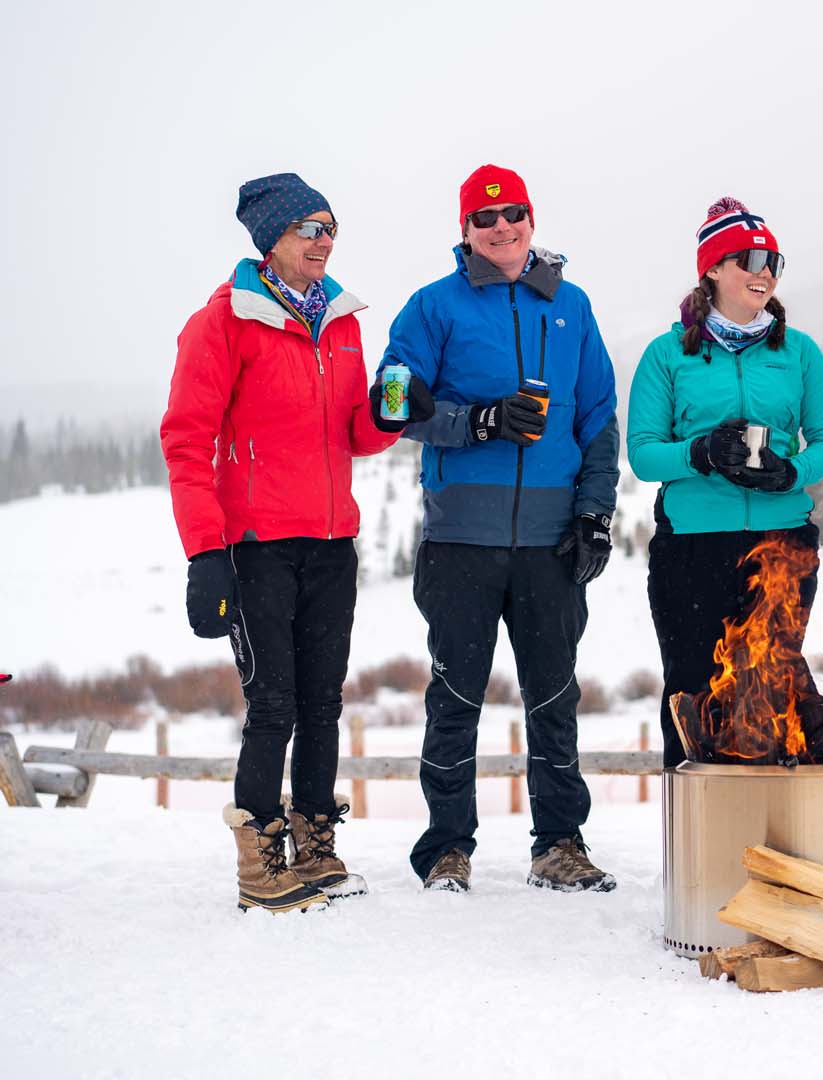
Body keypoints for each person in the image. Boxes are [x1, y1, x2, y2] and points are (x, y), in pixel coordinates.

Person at [162, 172, 418, 912]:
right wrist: (205, 553)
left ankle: (315, 845)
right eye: (309, 227)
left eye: (331, 227)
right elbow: (186, 440)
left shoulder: (340, 321)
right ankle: (260, 863)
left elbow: (355, 438)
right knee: (273, 705)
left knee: (322, 703)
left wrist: (393, 412)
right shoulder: (224, 321)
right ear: (270, 239)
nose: (324, 240)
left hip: (332, 543)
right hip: (258, 546)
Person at [380, 164, 620, 894]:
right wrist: (474, 421)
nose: (501, 228)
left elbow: (598, 419)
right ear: (465, 231)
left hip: (551, 542)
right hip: (461, 541)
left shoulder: (571, 307)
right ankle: (446, 848)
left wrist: (592, 513)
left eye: (512, 213)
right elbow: (390, 401)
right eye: (484, 219)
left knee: (554, 694)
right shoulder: (432, 307)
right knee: (456, 695)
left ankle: (559, 844)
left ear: (530, 218)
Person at [626, 197, 823, 766]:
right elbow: (645, 455)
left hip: (781, 544)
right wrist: (701, 451)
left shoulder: (798, 352)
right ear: (713, 270)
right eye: (749, 258)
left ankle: (767, 834)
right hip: (692, 548)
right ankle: (697, 836)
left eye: (773, 260)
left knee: (771, 687)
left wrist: (792, 471)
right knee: (692, 690)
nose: (764, 271)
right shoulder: (667, 354)